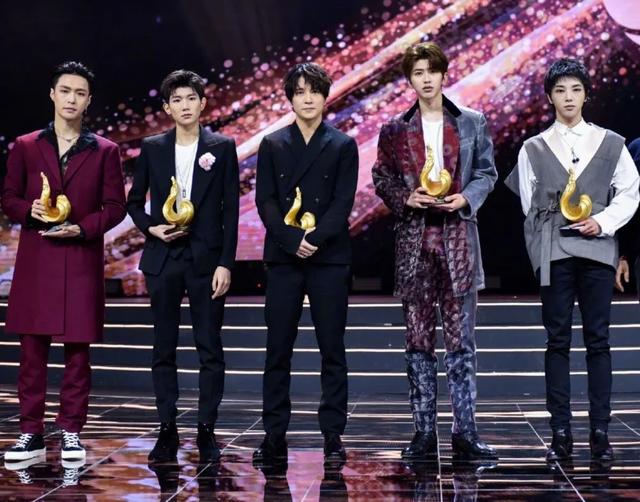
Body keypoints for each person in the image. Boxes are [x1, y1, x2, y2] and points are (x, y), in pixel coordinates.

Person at [505, 58, 639, 461]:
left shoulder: (611, 142)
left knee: (598, 340)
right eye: (560, 90)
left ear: (586, 95)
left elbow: (629, 192)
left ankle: (600, 431)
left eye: (575, 90)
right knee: (557, 340)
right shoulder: (533, 147)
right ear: (550, 97)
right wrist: (547, 237)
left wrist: (603, 221)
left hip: (598, 247)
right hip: (555, 251)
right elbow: (529, 204)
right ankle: (560, 432)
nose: (568, 97)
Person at [372, 42, 498, 461]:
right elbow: (381, 177)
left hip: (458, 242)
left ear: (444, 74)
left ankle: (466, 432)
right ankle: (424, 433)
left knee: (461, 343)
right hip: (415, 245)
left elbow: (486, 172)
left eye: (432, 71)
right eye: (418, 72)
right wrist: (406, 198)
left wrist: (466, 199)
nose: (426, 79)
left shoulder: (471, 121)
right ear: (410, 80)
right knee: (418, 342)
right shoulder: (394, 129)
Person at [2, 61, 126, 463]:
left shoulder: (105, 150)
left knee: (77, 354)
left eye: (80, 93)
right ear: (52, 94)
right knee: (31, 353)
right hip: (37, 260)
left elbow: (115, 207)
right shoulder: (25, 146)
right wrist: (29, 211)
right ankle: (31, 433)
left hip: (80, 258)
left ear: (88, 101)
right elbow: (8, 198)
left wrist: (83, 228)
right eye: (66, 91)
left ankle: (71, 430)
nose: (72, 99)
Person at [126, 69, 239, 463]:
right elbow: (134, 202)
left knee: (210, 348)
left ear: (203, 103)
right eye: (177, 100)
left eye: (191, 98)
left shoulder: (222, 147)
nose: (185, 105)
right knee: (164, 347)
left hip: (206, 260)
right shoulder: (153, 147)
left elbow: (230, 209)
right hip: (164, 258)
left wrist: (226, 263)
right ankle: (167, 427)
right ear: (167, 107)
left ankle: (206, 427)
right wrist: (151, 227)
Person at [253, 62, 358, 464]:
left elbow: (343, 203)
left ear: (325, 95)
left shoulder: (342, 144)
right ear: (290, 99)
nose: (307, 98)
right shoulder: (273, 143)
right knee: (278, 349)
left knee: (332, 348)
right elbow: (265, 200)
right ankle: (273, 434)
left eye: (314, 90)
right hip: (284, 258)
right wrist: (291, 239)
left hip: (329, 257)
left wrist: (312, 239)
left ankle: (332, 434)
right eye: (299, 92)